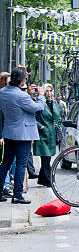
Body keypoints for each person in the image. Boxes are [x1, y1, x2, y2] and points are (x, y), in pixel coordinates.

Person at [0, 67, 45, 203]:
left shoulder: (2, 92)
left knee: (5, 163)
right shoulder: (21, 95)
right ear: (22, 81)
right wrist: (40, 96)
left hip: (9, 132)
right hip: (23, 134)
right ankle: (17, 195)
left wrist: (27, 93)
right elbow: (37, 108)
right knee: (21, 165)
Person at [33, 84, 62, 187]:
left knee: (48, 157)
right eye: (47, 91)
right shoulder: (39, 103)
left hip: (51, 134)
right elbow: (33, 118)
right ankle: (49, 180)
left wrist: (59, 128)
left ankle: (42, 179)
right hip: (43, 134)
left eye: (50, 91)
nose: (49, 93)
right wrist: (41, 127)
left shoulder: (54, 103)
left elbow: (58, 118)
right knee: (45, 158)